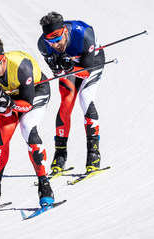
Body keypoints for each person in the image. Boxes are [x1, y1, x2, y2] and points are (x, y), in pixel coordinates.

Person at [0, 36, 54, 208]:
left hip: (35, 91)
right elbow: (0, 110)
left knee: (27, 127)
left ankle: (45, 185)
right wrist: (1, 104)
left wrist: (8, 103)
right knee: (3, 134)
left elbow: (27, 104)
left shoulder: (22, 66)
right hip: (10, 98)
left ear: (3, 61)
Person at [37, 11, 106, 175]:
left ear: (65, 32)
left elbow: (86, 71)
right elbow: (56, 71)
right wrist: (56, 67)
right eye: (50, 41)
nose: (55, 44)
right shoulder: (43, 44)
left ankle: (93, 153)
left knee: (85, 97)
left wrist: (68, 67)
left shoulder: (84, 33)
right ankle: (60, 154)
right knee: (66, 102)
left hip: (91, 62)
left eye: (57, 39)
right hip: (70, 66)